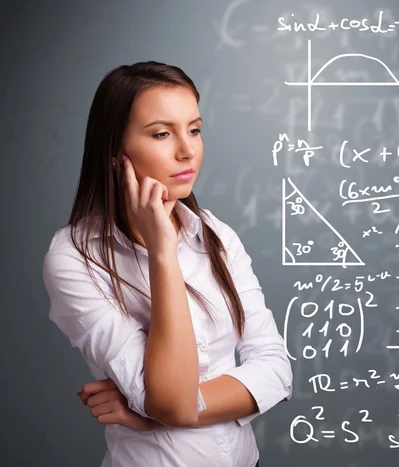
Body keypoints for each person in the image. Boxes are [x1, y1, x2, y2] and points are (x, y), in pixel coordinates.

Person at [42, 61, 293, 467]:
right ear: (113, 152)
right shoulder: (74, 258)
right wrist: (162, 251)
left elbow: (276, 370)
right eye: (162, 133)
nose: (187, 149)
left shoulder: (216, 235)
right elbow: (170, 400)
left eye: (194, 129)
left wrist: (151, 416)